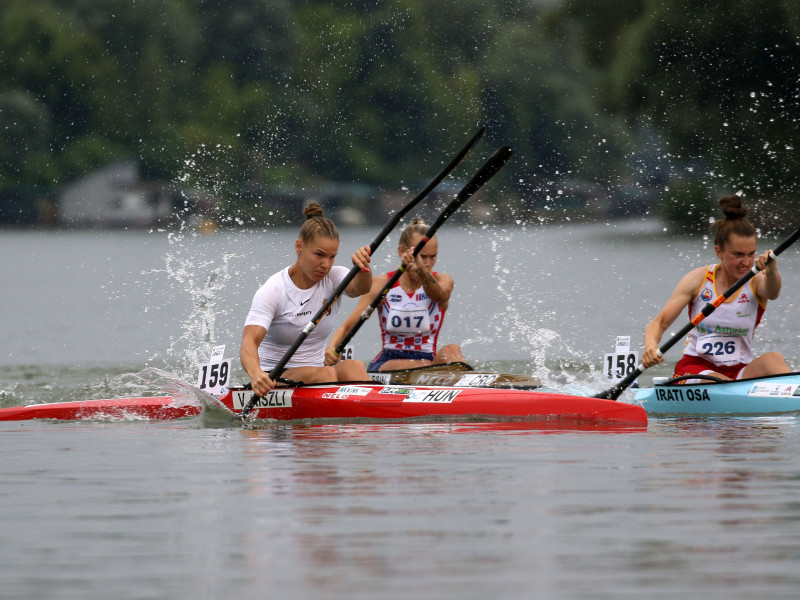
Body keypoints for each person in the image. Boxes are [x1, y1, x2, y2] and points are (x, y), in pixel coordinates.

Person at [642, 194, 790, 381]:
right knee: (718, 381)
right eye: (738, 254)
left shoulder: (757, 280)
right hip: (696, 369)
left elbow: (773, 292)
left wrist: (771, 270)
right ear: (719, 251)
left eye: (751, 254)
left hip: (738, 372)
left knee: (774, 359)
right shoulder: (698, 279)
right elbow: (660, 323)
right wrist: (651, 347)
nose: (745, 262)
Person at [240, 202, 372, 396]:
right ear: (299, 246)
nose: (325, 265)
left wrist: (363, 267)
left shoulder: (334, 277)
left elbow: (360, 288)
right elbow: (249, 341)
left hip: (319, 371)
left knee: (354, 367)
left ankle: (367, 419)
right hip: (275, 377)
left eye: (332, 257)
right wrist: (256, 374)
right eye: (319, 255)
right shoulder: (274, 290)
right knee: (326, 375)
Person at [326, 218, 465, 372]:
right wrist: (331, 349)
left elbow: (439, 295)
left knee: (452, 351)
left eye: (432, 257)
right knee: (424, 366)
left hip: (428, 362)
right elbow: (347, 327)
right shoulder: (382, 284)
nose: (427, 263)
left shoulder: (443, 281)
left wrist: (421, 270)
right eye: (422, 256)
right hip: (388, 362)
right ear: (402, 252)